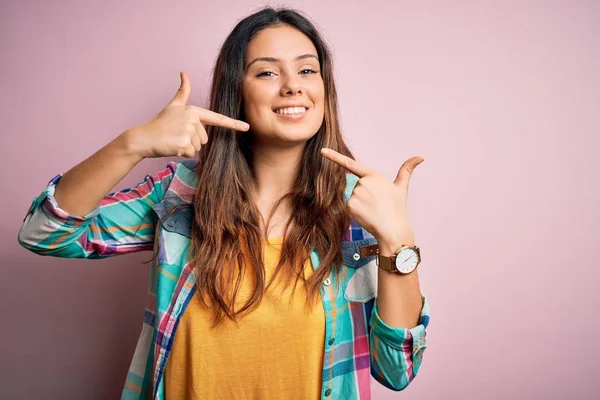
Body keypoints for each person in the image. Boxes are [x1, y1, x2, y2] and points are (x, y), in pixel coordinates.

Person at [17, 6, 430, 400]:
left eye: (307, 69)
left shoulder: (358, 209)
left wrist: (398, 241)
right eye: (267, 72)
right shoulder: (180, 195)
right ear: (236, 91)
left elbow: (396, 371)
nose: (293, 85)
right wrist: (133, 144)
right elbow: (43, 233)